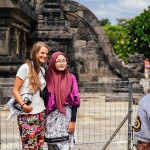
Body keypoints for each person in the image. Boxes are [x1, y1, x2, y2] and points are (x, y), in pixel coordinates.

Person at [12, 41, 49, 150]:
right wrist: (23, 105)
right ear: (35, 53)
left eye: (46, 54)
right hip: (27, 114)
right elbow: (15, 90)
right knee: (30, 147)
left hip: (41, 113)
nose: (45, 56)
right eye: (42, 53)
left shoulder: (42, 70)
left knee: (39, 146)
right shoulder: (25, 68)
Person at [44, 51, 80, 150]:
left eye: (63, 61)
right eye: (58, 61)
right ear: (53, 63)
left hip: (66, 118)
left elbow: (75, 101)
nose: (61, 63)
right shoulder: (47, 78)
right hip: (50, 119)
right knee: (51, 146)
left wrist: (73, 121)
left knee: (65, 146)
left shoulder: (71, 78)